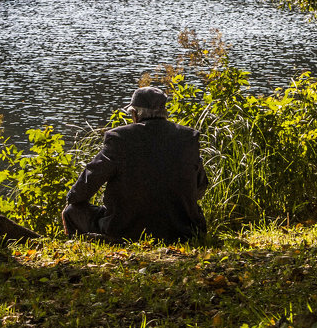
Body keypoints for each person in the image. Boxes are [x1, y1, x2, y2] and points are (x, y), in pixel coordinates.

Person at [62, 86, 209, 243]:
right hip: (183, 231)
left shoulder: (119, 138)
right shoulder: (188, 137)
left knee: (72, 211)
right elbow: (201, 186)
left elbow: (88, 182)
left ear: (135, 114)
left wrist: (73, 198)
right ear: (164, 112)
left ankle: (93, 244)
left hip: (127, 230)